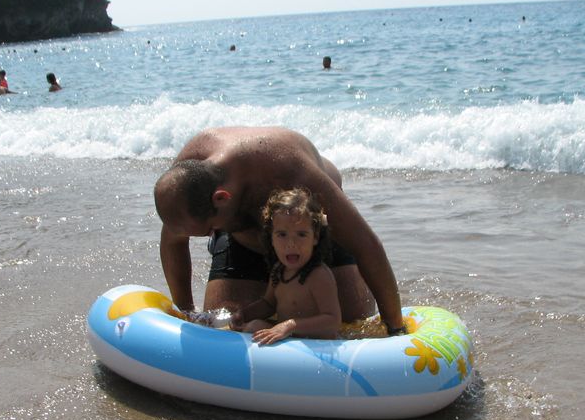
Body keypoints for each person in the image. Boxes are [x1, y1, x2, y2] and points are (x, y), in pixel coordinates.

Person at [153, 126, 404, 334]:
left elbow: (366, 245)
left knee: (354, 320)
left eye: (210, 230)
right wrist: (186, 313)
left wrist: (395, 329)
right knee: (227, 325)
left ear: (221, 198)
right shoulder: (186, 176)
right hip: (246, 242)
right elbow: (173, 239)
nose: (208, 234)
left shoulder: (287, 169)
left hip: (311, 232)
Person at [230, 188, 341, 344]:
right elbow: (268, 304)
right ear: (271, 238)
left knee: (255, 327)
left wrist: (290, 326)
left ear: (315, 237)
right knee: (254, 325)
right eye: (282, 234)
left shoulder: (318, 275)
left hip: (316, 344)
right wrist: (244, 314)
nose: (291, 244)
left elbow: (333, 321)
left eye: (301, 234)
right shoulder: (278, 270)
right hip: (289, 340)